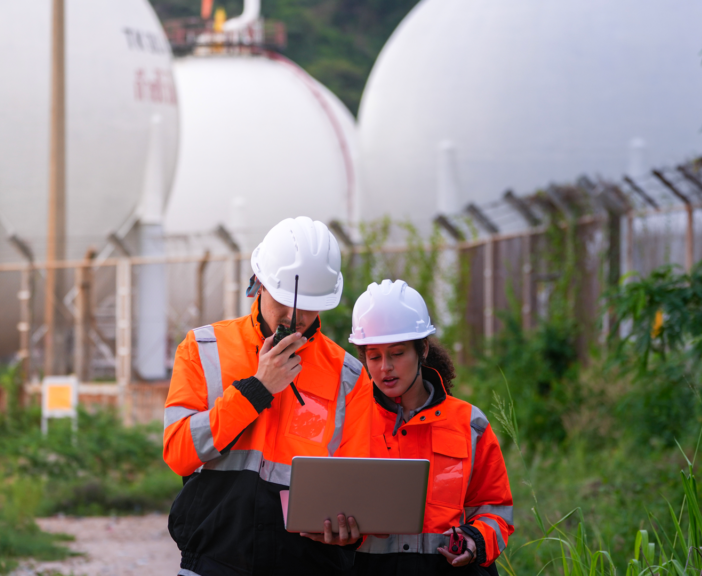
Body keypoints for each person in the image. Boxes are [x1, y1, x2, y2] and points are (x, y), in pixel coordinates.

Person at [163, 217, 375, 576]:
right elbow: (179, 453)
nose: (296, 317)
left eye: (310, 306)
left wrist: (349, 534)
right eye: (286, 300)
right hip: (215, 560)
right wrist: (256, 389)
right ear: (259, 283)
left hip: (310, 565)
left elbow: (357, 489)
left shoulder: (349, 376)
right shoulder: (203, 348)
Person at [349, 280, 514, 575]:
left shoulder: (469, 423)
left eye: (397, 353)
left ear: (422, 349)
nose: (385, 366)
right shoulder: (349, 421)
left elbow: (494, 509)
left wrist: (475, 540)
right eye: (374, 356)